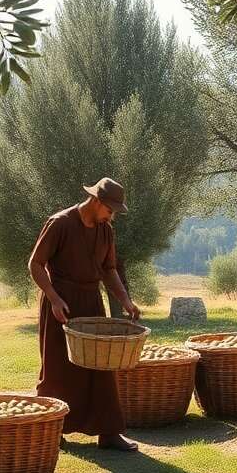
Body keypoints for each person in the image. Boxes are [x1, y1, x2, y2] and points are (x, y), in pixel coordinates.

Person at [29, 177, 141, 452]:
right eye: (110, 210)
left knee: (101, 367)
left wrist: (125, 300)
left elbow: (109, 269)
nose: (111, 215)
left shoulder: (106, 231)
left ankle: (109, 432)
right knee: (56, 367)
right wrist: (54, 299)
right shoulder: (61, 223)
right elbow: (35, 263)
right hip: (61, 304)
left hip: (91, 303)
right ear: (97, 201)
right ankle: (51, 429)